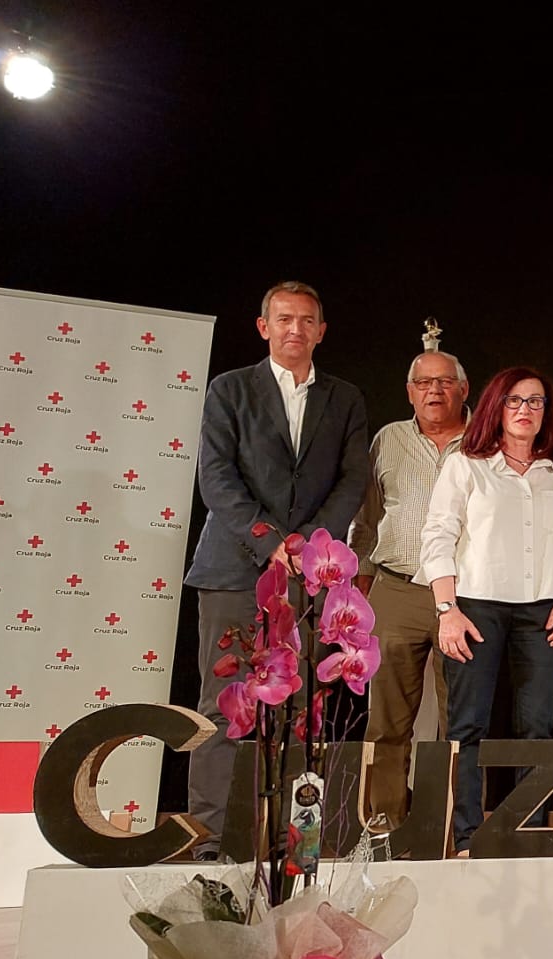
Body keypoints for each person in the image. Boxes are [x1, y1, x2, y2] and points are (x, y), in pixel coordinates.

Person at [184, 280, 368, 860]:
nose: (295, 329)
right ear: (263, 327)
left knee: (302, 706)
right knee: (224, 703)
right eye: (283, 319)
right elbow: (216, 477)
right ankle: (212, 839)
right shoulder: (230, 390)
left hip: (312, 578)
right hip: (234, 569)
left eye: (306, 320)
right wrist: (270, 542)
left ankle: (298, 840)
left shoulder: (345, 399)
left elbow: (352, 481)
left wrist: (310, 549)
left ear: (321, 330)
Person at [419, 367, 553, 857]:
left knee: (538, 724)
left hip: (541, 614)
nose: (525, 410)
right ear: (496, 405)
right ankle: (468, 834)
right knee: (468, 723)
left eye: (535, 402)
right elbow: (438, 538)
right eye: (515, 401)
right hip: (476, 608)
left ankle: (524, 831)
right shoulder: (466, 466)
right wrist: (447, 609)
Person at [351, 347, 468, 830]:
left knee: (458, 720)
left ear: (464, 390)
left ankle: (447, 824)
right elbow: (367, 517)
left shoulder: (487, 441)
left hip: (464, 598)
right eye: (424, 383)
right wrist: (358, 588)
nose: (434, 391)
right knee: (387, 720)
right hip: (394, 590)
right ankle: (384, 820)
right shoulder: (387, 440)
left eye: (444, 382)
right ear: (409, 392)